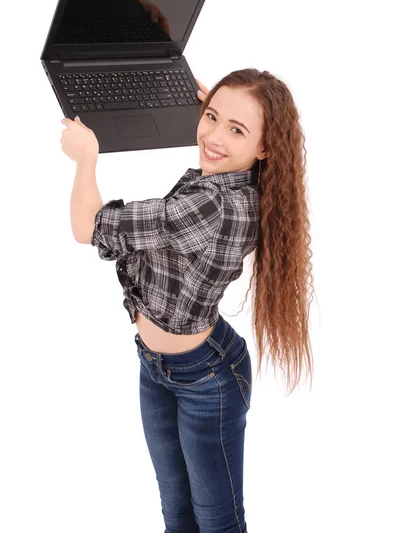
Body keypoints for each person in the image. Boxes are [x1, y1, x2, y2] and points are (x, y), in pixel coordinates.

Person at [60, 67, 315, 532]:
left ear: (265, 147)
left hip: (206, 379)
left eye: (236, 129)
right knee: (177, 513)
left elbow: (87, 226)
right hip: (157, 367)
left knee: (217, 523)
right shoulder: (242, 183)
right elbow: (229, 130)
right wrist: (216, 105)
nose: (213, 137)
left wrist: (85, 159)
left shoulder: (210, 206)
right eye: (210, 117)